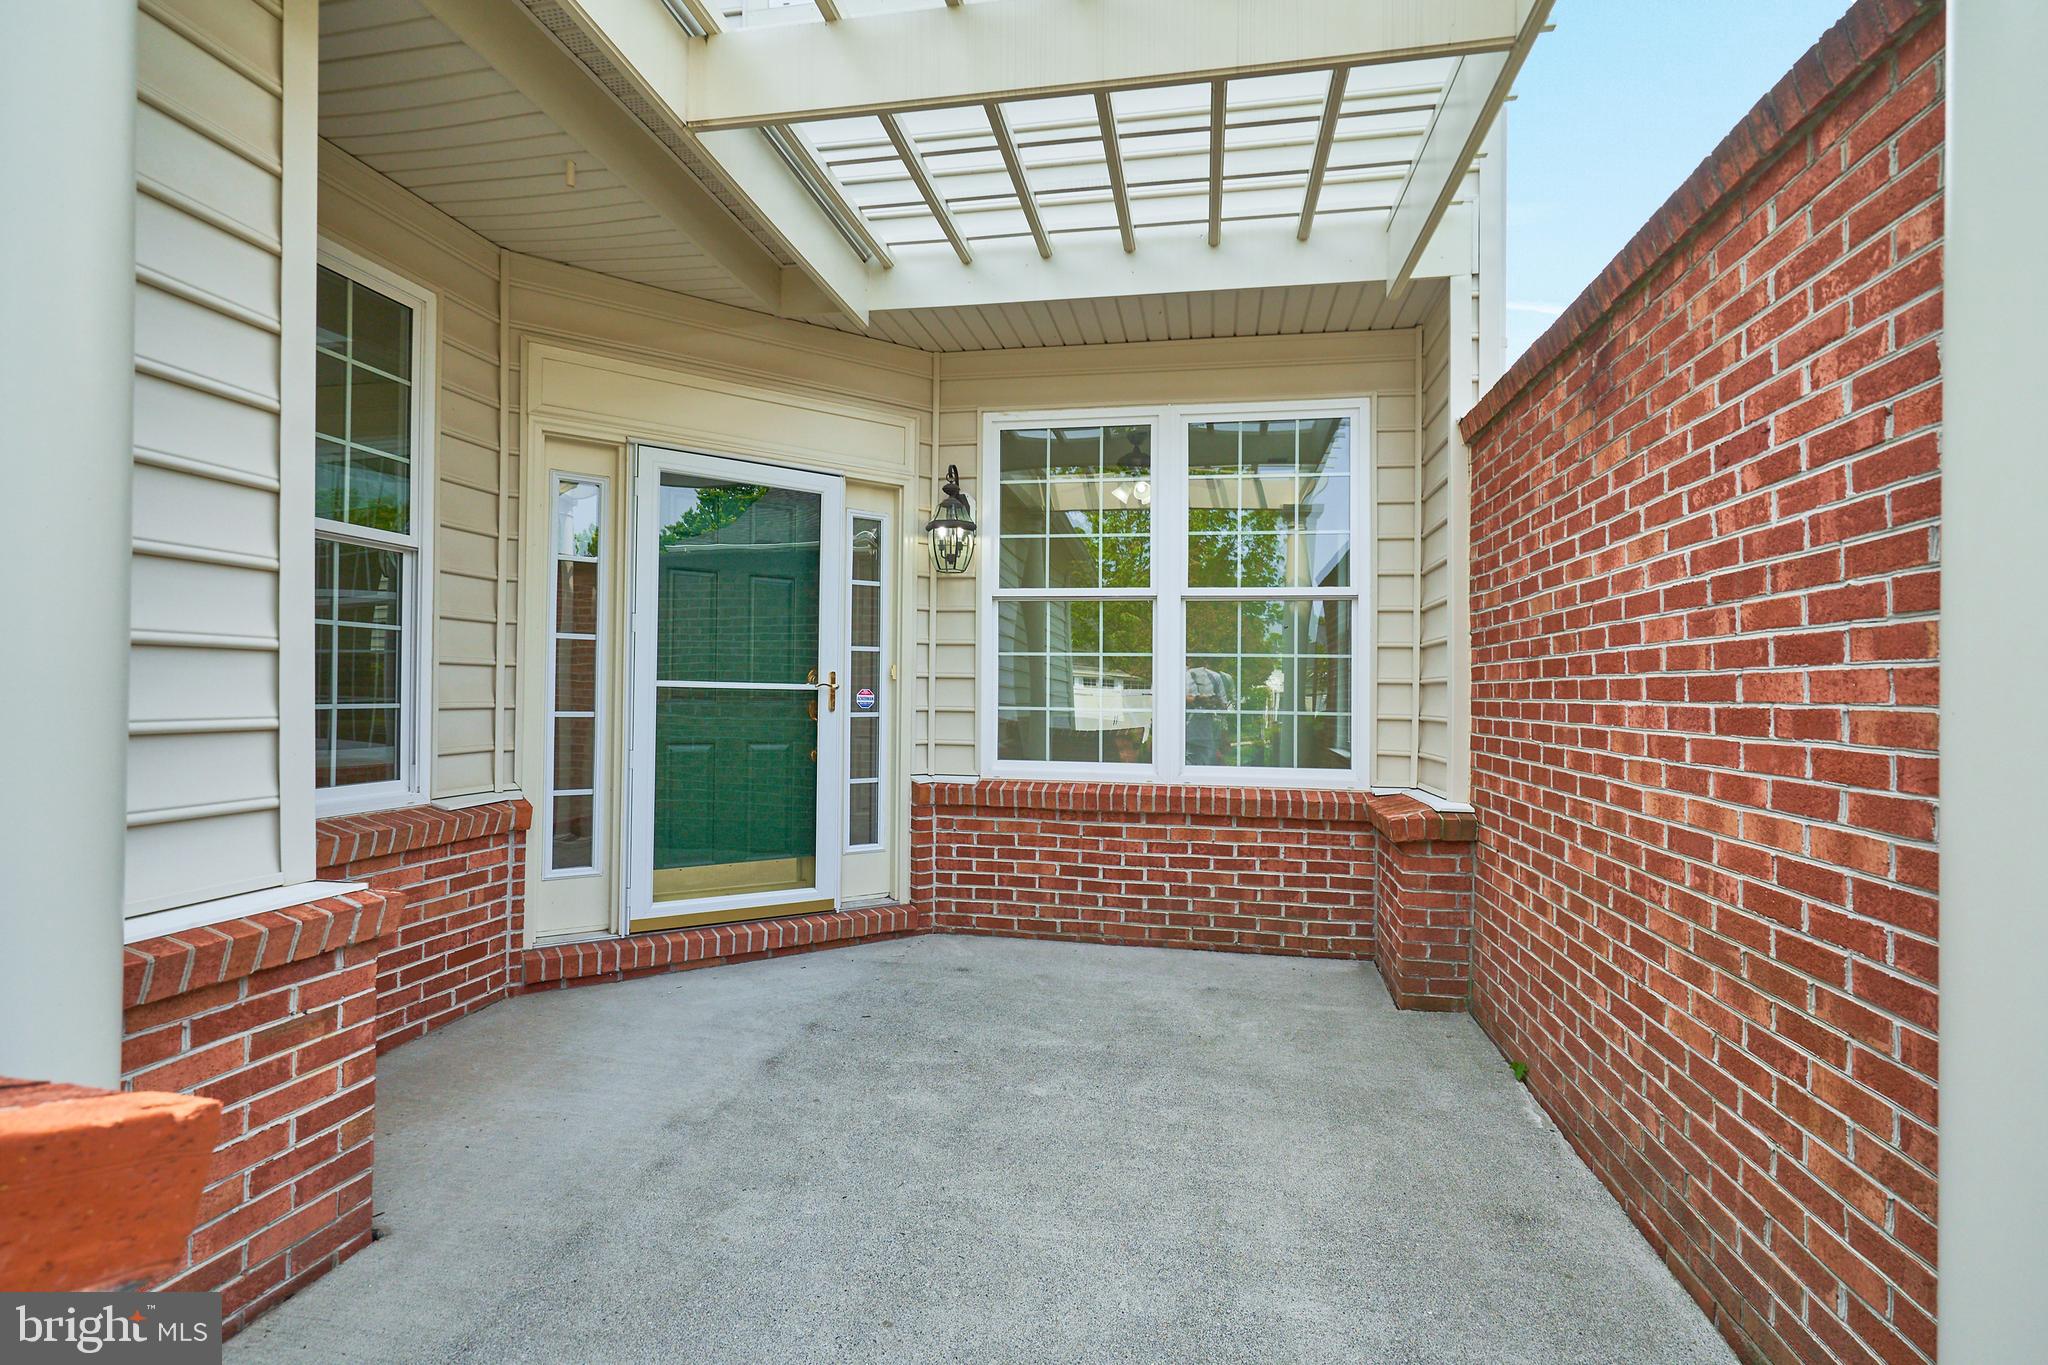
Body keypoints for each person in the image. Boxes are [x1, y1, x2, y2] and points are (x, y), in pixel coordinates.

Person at [1185, 663, 1236, 765]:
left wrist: (1223, 734)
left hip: (1204, 735)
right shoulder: (1174, 674)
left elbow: (1223, 708)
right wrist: (1196, 699)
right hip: (1178, 736)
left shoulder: (1219, 677)